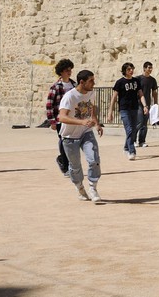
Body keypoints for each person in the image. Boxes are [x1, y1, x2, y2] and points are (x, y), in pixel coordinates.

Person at [59, 69, 105, 203]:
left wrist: (96, 123)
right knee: (75, 166)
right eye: (91, 81)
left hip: (86, 132)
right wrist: (81, 121)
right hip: (69, 137)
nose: (94, 83)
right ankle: (80, 188)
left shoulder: (91, 93)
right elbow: (62, 117)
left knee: (94, 159)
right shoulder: (70, 96)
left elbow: (91, 108)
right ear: (82, 82)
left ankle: (93, 187)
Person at [46, 59, 75, 176]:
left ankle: (64, 161)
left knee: (72, 142)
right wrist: (52, 121)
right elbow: (49, 105)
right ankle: (66, 165)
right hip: (60, 119)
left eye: (70, 70)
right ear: (61, 72)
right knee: (64, 141)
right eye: (67, 70)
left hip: (72, 118)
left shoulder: (74, 85)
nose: (69, 72)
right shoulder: (56, 87)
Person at [110, 62, 144, 160]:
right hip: (124, 109)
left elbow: (141, 94)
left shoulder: (136, 81)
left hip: (134, 108)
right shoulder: (120, 82)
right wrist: (110, 111)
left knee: (133, 130)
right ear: (125, 71)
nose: (131, 71)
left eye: (132, 69)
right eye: (129, 69)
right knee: (129, 129)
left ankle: (126, 147)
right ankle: (131, 151)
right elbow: (114, 97)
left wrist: (145, 105)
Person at [138, 60, 159, 137]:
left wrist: (156, 103)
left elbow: (154, 92)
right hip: (138, 103)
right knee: (139, 121)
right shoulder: (138, 79)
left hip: (147, 103)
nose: (150, 69)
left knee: (144, 123)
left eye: (151, 68)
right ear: (144, 68)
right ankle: (133, 140)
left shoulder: (152, 80)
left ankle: (142, 141)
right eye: (149, 68)